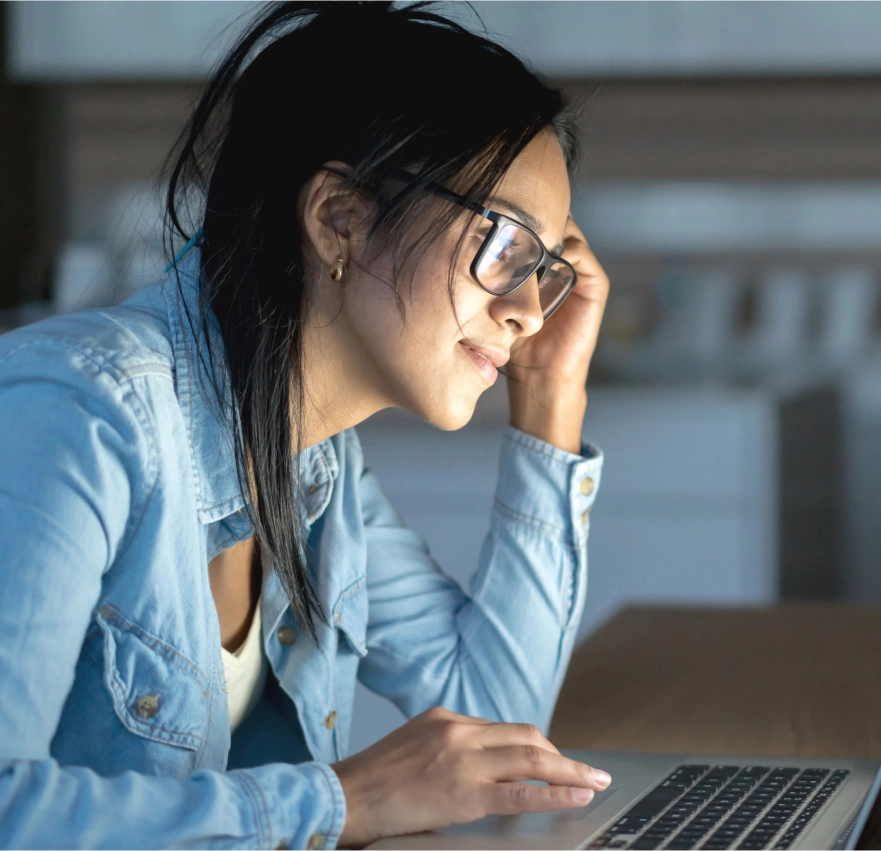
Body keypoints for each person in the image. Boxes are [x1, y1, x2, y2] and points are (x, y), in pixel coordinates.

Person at [0, 2, 615, 846]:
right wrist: (343, 800)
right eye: (502, 243)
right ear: (340, 220)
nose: (526, 311)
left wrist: (551, 395)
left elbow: (496, 726)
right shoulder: (82, 412)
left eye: (543, 269)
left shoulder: (318, 463)